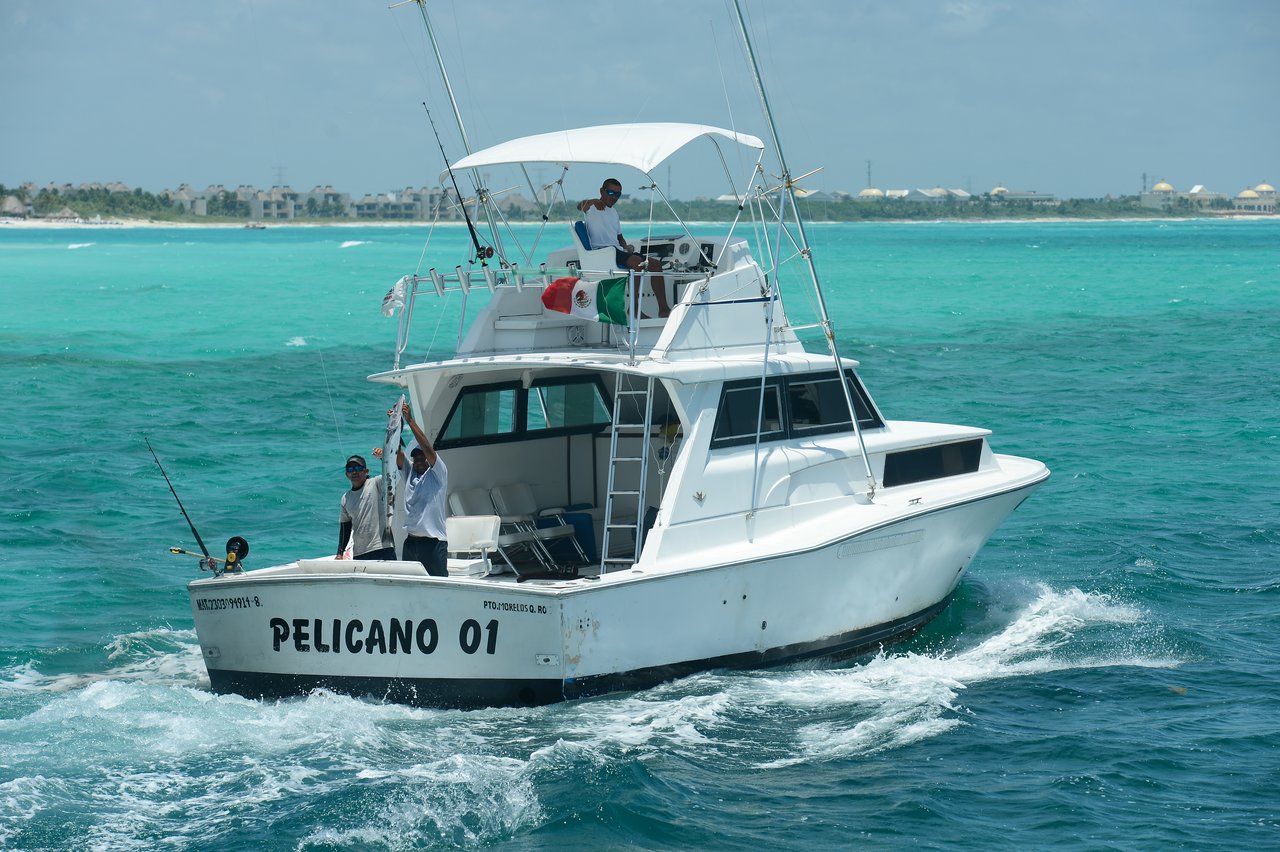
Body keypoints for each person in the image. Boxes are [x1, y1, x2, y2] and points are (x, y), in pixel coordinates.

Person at [578, 178, 672, 317]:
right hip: (602, 252)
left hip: (617, 251)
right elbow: (579, 206)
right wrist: (593, 201)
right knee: (637, 263)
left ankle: (664, 309)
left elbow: (619, 236)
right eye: (610, 192)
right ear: (601, 191)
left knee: (656, 265)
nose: (614, 197)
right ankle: (634, 310)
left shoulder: (614, 213)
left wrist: (626, 246)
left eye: (618, 194)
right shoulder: (591, 208)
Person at [396, 402, 449, 577]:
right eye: (415, 458)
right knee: (409, 589)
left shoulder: (438, 474)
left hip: (433, 545)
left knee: (438, 588)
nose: (419, 460)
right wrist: (395, 421)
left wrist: (410, 420)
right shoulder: (409, 472)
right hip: (411, 544)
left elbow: (426, 447)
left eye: (422, 458)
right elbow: (396, 452)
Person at [336, 454, 396, 561]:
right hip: (360, 553)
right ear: (347, 474)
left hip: (382, 548)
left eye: (358, 468)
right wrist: (340, 553)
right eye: (350, 469)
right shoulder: (346, 498)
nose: (354, 472)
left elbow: (391, 473)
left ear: (366, 471)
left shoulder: (376, 483)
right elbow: (345, 528)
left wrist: (384, 457)